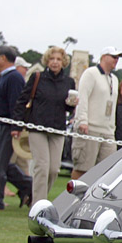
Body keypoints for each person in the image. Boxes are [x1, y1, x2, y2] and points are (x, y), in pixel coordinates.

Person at [10, 46, 77, 204]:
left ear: (63, 62)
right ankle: (37, 206)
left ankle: (39, 200)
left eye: (58, 59)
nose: (55, 62)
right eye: (52, 59)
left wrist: (72, 104)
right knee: (41, 167)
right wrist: (17, 126)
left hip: (58, 129)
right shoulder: (37, 77)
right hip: (37, 128)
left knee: (54, 169)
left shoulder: (69, 82)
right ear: (47, 61)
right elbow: (22, 101)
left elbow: (68, 108)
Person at [0, 46, 32, 209]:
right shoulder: (5, 77)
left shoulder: (13, 78)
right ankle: (29, 187)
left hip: (4, 126)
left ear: (3, 58)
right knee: (1, 164)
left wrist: (15, 126)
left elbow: (16, 104)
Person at [72, 47, 122, 179]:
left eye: (117, 58)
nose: (116, 60)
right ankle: (72, 199)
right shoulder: (90, 73)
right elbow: (82, 98)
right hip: (90, 128)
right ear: (104, 57)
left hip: (108, 131)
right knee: (83, 168)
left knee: (106, 171)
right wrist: (82, 120)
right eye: (113, 57)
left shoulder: (114, 79)